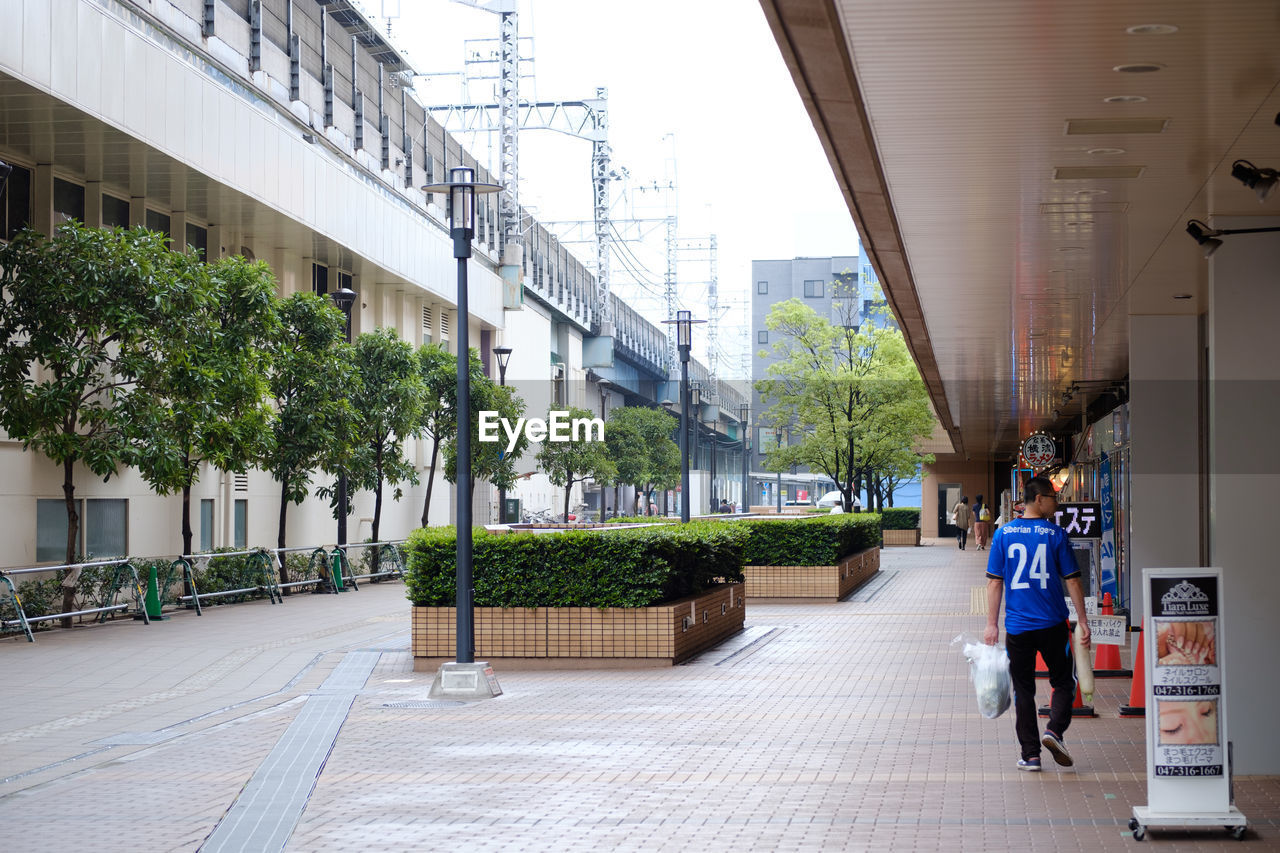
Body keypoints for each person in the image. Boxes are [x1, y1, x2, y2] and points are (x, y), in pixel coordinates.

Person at [984, 476, 1091, 772]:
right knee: (1064, 682)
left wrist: (992, 624)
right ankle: (1054, 731)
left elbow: (995, 583)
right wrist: (1082, 620)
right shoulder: (1055, 534)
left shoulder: (1004, 534)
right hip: (1053, 624)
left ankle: (1030, 755)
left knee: (1024, 690)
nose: (1057, 504)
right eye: (1054, 498)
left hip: (1017, 628)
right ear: (1040, 499)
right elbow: (1073, 580)